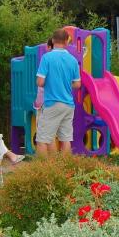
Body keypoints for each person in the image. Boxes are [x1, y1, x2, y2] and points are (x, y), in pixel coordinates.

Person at [35, 28, 80, 156]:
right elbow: (77, 84)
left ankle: (43, 167)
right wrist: (64, 83)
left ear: (53, 40)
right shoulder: (73, 60)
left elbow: (40, 82)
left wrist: (51, 82)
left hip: (52, 103)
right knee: (66, 139)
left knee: (42, 140)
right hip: (68, 105)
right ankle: (66, 167)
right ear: (66, 42)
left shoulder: (46, 57)